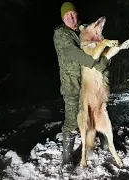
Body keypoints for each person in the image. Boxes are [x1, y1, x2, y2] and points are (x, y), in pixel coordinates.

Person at [53, 2, 110, 166]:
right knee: (71, 121)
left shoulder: (83, 29)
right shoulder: (60, 34)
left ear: (77, 15)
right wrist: (96, 64)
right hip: (72, 85)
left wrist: (104, 58)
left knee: (97, 111)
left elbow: (96, 41)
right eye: (67, 15)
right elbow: (73, 53)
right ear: (63, 18)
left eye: (73, 14)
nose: (71, 18)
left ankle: (106, 144)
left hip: (90, 82)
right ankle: (66, 159)